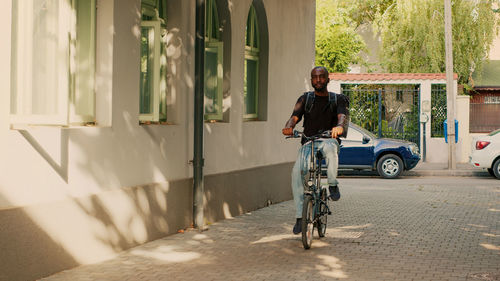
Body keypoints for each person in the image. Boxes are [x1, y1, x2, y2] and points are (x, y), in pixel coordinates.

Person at [282, 66, 349, 234]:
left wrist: (339, 127)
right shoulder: (306, 99)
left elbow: (342, 117)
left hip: (328, 140)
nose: (318, 80)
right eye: (314, 77)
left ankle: (333, 185)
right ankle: (300, 217)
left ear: (328, 79)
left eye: (321, 77)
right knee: (297, 172)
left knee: (330, 150)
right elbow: (294, 116)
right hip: (308, 141)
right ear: (311, 80)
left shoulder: (337, 99)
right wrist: (289, 126)